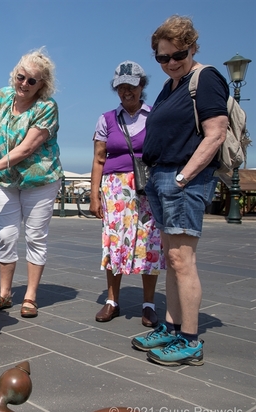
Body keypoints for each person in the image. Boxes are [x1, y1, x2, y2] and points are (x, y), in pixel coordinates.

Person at [132, 15, 229, 366]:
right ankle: (172, 328)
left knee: (182, 261)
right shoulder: (172, 85)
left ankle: (190, 339)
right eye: (163, 57)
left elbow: (216, 131)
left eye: (178, 55)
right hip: (163, 178)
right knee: (171, 261)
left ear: (192, 47)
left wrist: (183, 178)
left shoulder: (205, 79)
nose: (171, 62)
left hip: (182, 179)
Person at [0, 47, 62, 318]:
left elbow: (25, 150)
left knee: (35, 237)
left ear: (42, 85)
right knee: (6, 236)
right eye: (21, 77)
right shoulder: (2, 96)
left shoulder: (47, 108)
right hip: (5, 180)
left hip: (40, 181)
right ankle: (4, 293)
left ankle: (31, 296)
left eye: (32, 81)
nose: (24, 84)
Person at [89, 61, 165, 327]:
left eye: (131, 86)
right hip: (114, 186)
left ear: (141, 85)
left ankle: (148, 303)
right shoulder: (107, 119)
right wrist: (94, 195)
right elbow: (99, 159)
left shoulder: (155, 115)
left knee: (149, 242)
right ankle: (112, 300)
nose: (126, 92)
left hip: (147, 185)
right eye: (120, 87)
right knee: (114, 241)